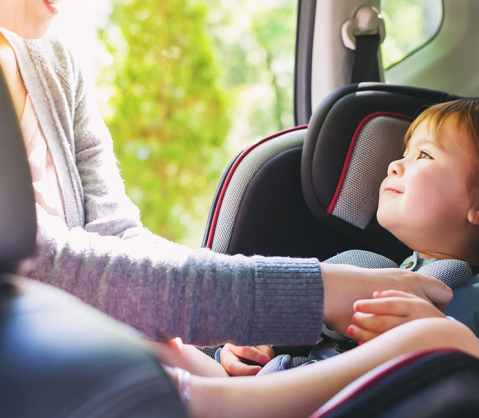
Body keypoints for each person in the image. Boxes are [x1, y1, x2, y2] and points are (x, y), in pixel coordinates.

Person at [0, 0, 452, 349]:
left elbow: (116, 237)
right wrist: (321, 291)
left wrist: (221, 336)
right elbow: (39, 267)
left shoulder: (54, 64)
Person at [161, 99, 479, 418]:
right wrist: (251, 349)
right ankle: (184, 389)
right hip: (274, 388)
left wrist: (441, 340)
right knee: (161, 345)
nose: (395, 165)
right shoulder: (366, 269)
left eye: (424, 155)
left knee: (441, 335)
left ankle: (209, 403)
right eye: (403, 154)